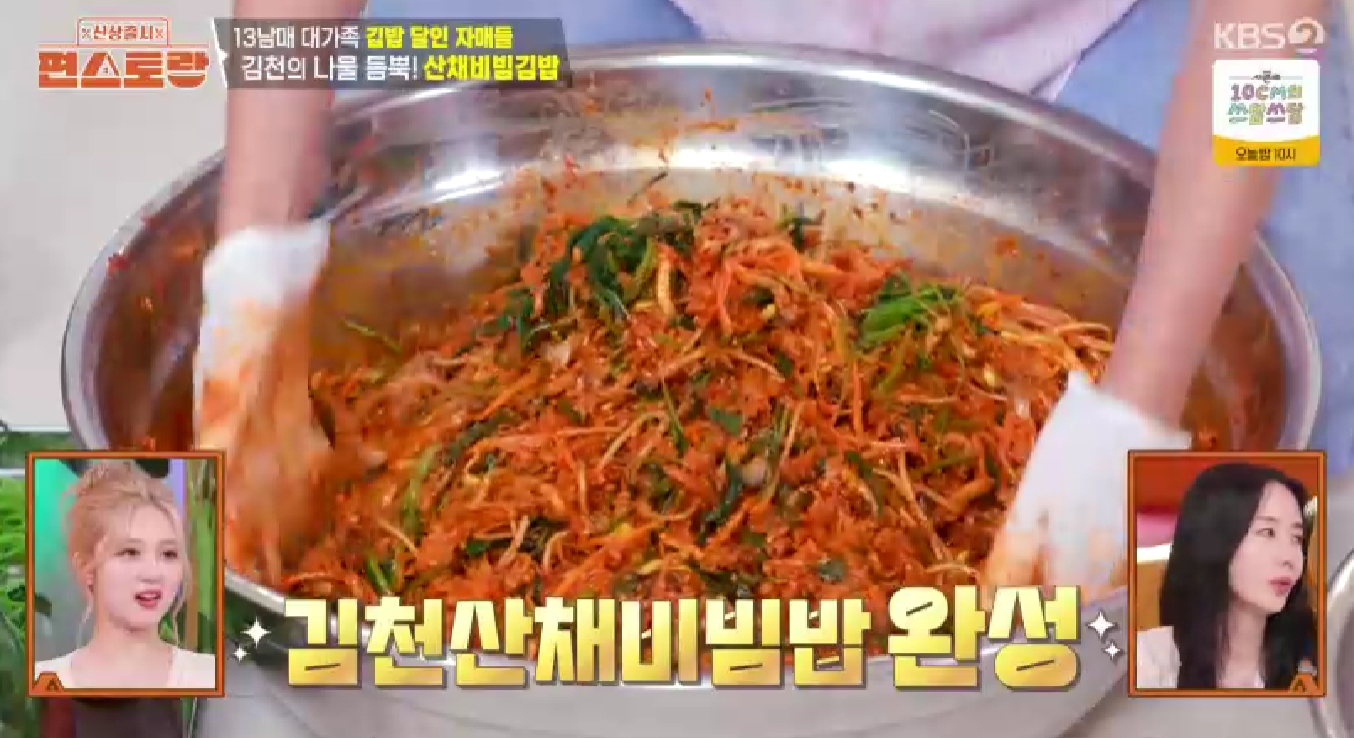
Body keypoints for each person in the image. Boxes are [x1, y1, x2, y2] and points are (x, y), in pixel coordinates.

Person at [203, 0, 1348, 596]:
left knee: (1306, 337)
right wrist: (253, 268)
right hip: (659, 15)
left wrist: (1136, 406)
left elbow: (1266, 31)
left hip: (1103, 38)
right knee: (391, 99)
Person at [31, 461, 216, 691]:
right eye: (130, 552)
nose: (153, 574)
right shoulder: (45, 681)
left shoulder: (209, 677)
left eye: (169, 554)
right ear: (87, 568)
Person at [1135, 462, 1318, 690]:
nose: (1289, 557)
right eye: (1268, 532)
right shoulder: (1147, 660)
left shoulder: (1312, 666)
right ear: (1215, 539)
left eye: (1297, 538)